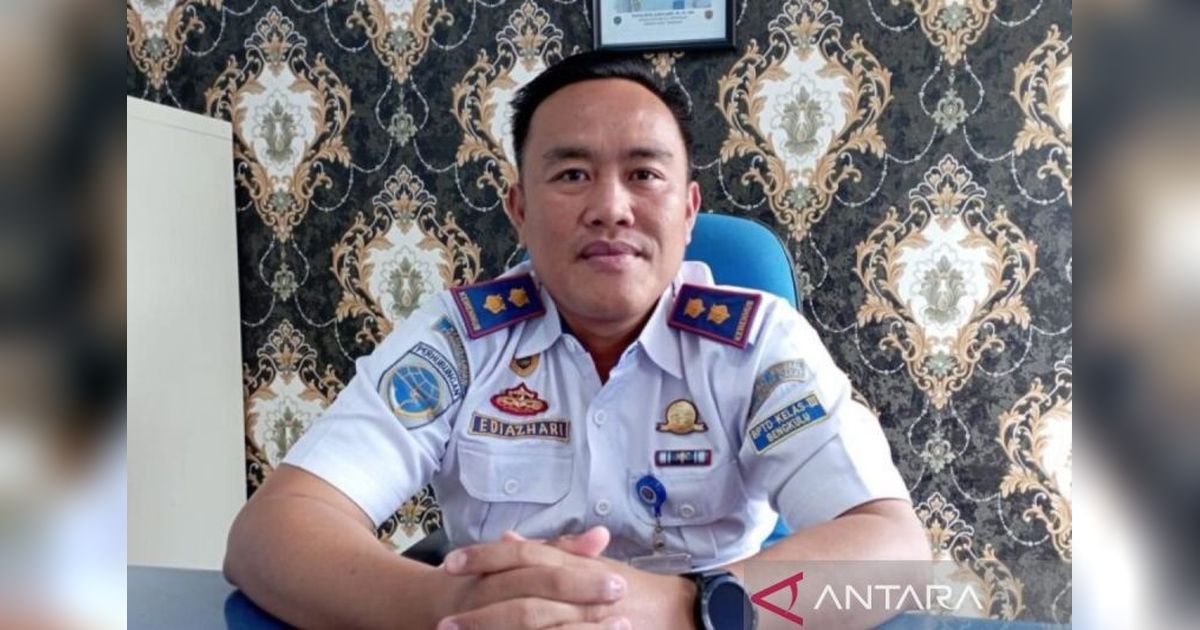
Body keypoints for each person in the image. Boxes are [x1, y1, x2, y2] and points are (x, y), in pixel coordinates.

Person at [224, 51, 929, 629]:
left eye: (644, 174)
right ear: (520, 209)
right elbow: (269, 535)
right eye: (572, 175)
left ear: (687, 212)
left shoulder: (756, 341)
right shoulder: (460, 339)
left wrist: (683, 610)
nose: (610, 208)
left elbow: (895, 555)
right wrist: (454, 608)